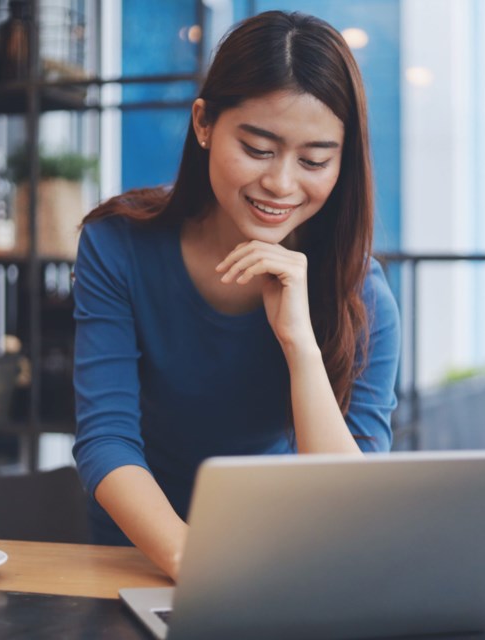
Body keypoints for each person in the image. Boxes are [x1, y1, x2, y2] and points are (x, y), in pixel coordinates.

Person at [72, 10, 400, 581]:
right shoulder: (118, 246)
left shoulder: (362, 295)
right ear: (203, 124)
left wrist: (299, 345)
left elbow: (355, 504)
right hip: (142, 561)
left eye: (315, 160)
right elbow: (106, 439)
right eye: (258, 147)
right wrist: (193, 562)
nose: (281, 183)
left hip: (282, 569)